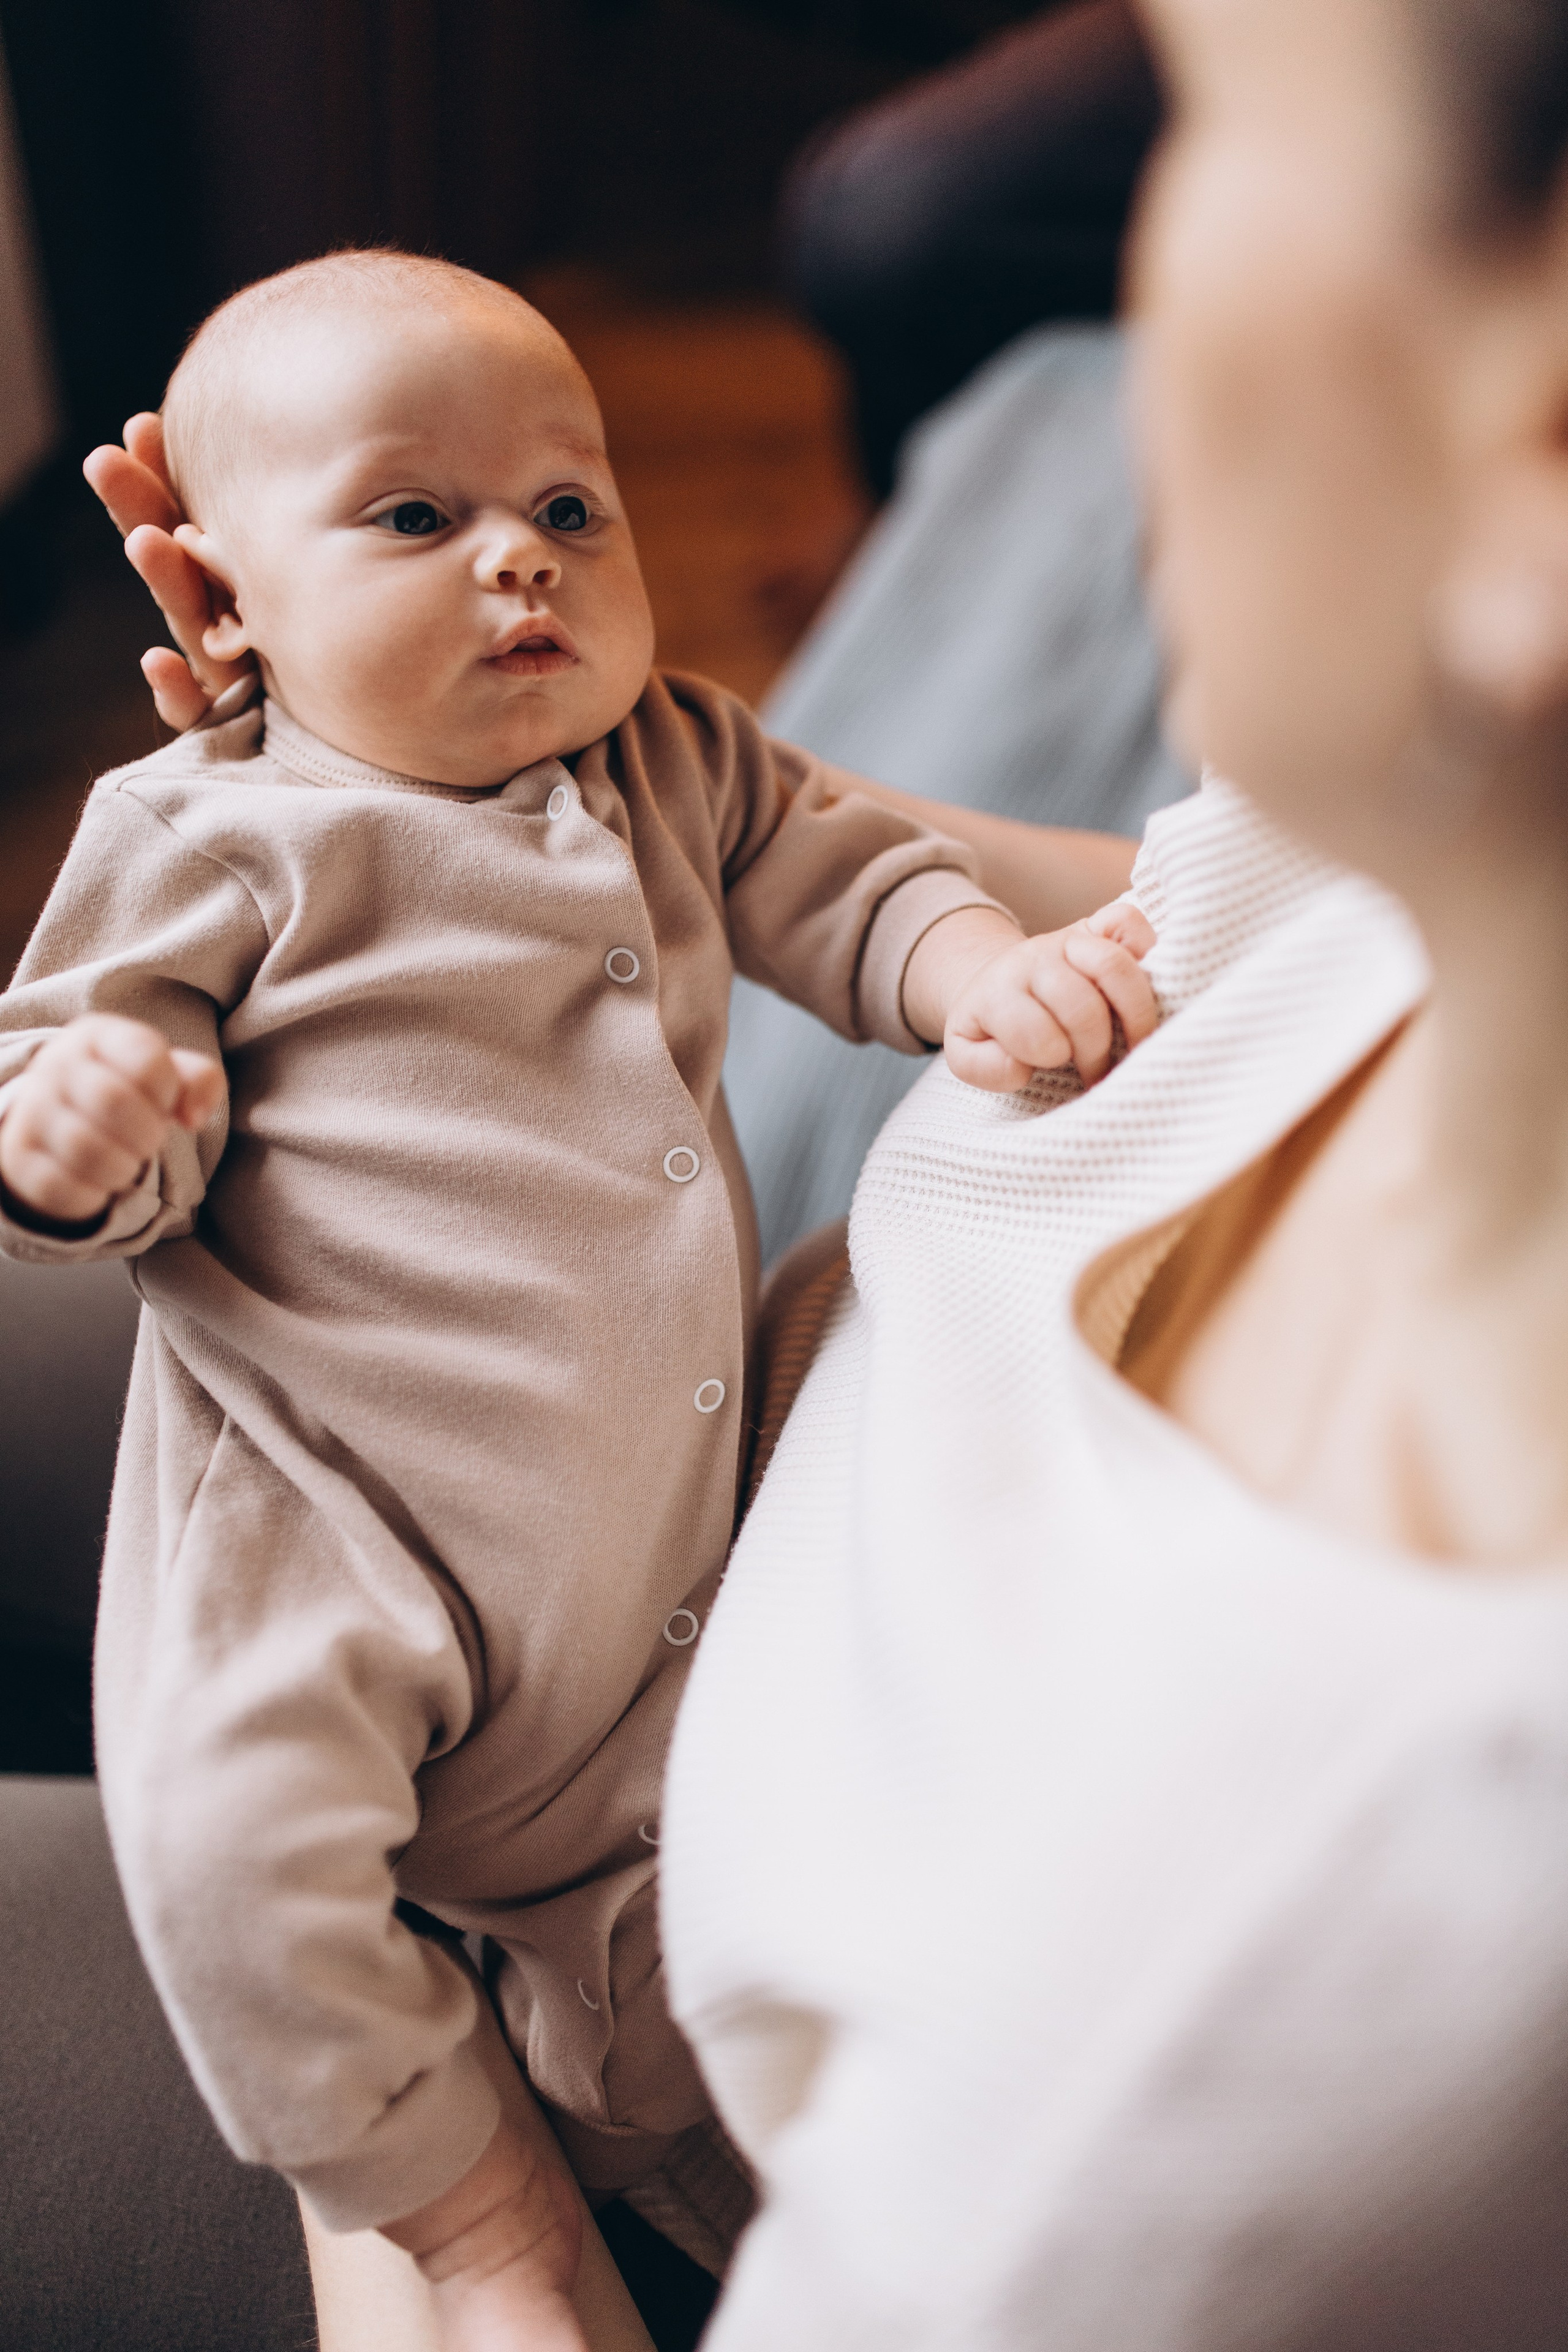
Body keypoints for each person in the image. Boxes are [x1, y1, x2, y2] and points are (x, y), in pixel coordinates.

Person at [3, 251, 1159, 2352]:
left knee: (672, 1975)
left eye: (569, 507)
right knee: (238, 1844)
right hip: (353, 1522)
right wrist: (83, 1131)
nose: (520, 568)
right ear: (229, 605)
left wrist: (977, 972)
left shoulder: (670, 760)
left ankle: (745, 2192)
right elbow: (80, 1085)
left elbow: (849, 874)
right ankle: (452, 2207)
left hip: (676, 1568)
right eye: (415, 518)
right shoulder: (207, 832)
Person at [651, 0, 1568, 2339]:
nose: (1138, 274)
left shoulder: (1157, 2079)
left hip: (601, 2068)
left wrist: (418, 2203)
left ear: (1532, 447)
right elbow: (1183, 910)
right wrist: (620, 788)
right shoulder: (1457, 836)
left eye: (1214, 135)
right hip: (651, 1446)